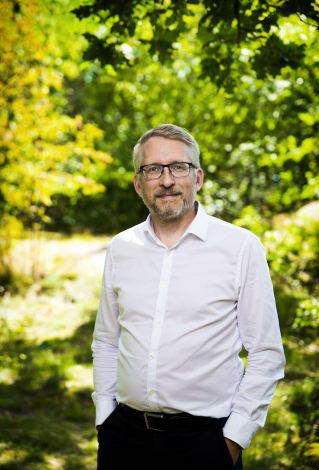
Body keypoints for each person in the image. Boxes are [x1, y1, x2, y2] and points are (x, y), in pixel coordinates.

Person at [91, 124, 285, 469]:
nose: (166, 180)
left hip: (205, 443)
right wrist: (105, 418)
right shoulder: (122, 248)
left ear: (198, 178)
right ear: (139, 184)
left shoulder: (240, 247)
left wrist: (233, 439)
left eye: (178, 167)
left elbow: (266, 353)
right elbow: (106, 340)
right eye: (153, 169)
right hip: (124, 438)